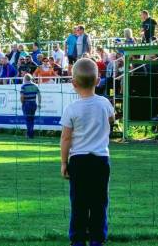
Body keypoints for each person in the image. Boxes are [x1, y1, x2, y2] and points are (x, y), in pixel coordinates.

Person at [59, 58, 115, 246]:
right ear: (98, 81)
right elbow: (112, 120)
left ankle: (78, 239)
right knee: (99, 202)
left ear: (73, 83)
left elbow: (66, 138)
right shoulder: (105, 103)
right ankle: (97, 239)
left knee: (79, 203)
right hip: (101, 160)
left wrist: (64, 163)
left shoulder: (71, 109)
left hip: (79, 161)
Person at [20, 74, 41, 139]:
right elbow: (39, 95)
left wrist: (22, 102)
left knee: (28, 119)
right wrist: (39, 103)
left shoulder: (23, 86)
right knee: (31, 119)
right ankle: (30, 134)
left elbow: (22, 96)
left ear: (25, 79)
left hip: (26, 103)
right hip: (34, 103)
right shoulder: (35, 85)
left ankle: (29, 134)